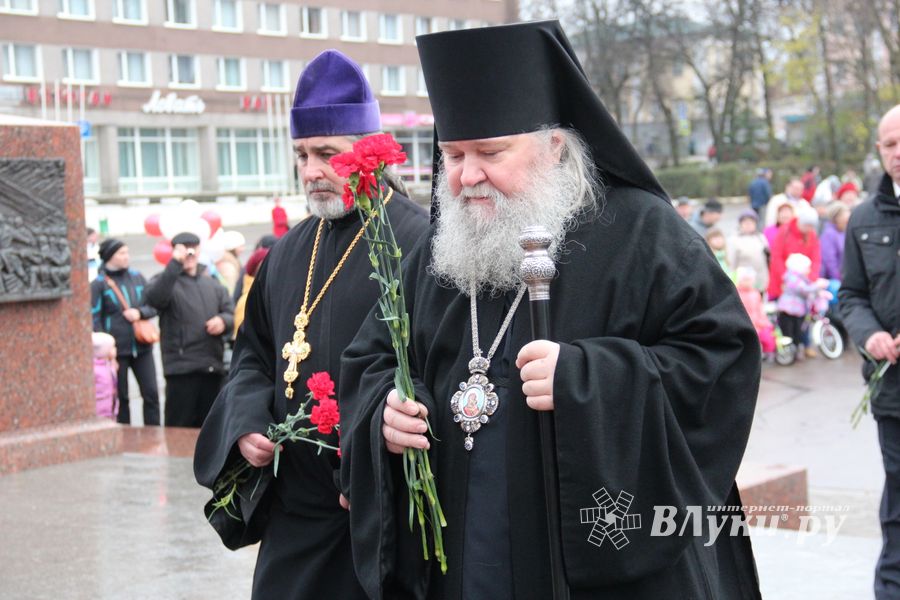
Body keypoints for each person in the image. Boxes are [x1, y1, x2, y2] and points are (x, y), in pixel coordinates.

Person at [340, 20, 761, 600]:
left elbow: (721, 360)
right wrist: (385, 412)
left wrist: (588, 377)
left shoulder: (642, 232)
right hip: (463, 555)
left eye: (490, 152)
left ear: (554, 146)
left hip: (595, 566)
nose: (467, 176)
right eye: (452, 155)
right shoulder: (442, 248)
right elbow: (372, 358)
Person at [193, 49, 428, 599]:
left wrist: (373, 457)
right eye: (301, 154)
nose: (311, 171)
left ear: (369, 154)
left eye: (328, 154)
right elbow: (253, 355)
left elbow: (436, 368)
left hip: (375, 513)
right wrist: (247, 421)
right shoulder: (288, 249)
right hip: (293, 516)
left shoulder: (417, 241)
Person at [840, 103, 900, 600]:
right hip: (893, 391)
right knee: (898, 498)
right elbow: (851, 295)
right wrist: (870, 335)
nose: (898, 152)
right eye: (890, 144)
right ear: (879, 150)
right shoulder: (862, 219)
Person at [145, 231, 234, 428]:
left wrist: (223, 321)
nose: (189, 254)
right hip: (181, 369)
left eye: (193, 249)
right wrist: (175, 263)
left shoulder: (211, 283)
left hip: (212, 365)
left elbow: (230, 311)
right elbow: (155, 299)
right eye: (184, 249)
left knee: (210, 427)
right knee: (180, 428)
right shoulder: (164, 280)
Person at [90, 238, 161, 425]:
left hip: (142, 347)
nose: (126, 257)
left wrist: (140, 313)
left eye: (127, 252)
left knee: (151, 393)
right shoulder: (99, 284)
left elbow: (154, 305)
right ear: (109, 256)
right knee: (121, 397)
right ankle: (124, 435)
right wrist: (106, 346)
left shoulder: (137, 277)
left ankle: (153, 434)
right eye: (121, 253)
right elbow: (94, 318)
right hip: (117, 351)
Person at [776, 253, 829, 359]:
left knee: (798, 332)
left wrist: (819, 292)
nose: (809, 270)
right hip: (788, 311)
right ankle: (789, 353)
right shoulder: (792, 277)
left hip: (798, 311)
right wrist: (817, 286)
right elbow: (803, 289)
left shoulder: (802, 278)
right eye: (807, 268)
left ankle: (795, 352)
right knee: (788, 333)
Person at [767, 202, 821, 300]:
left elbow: (816, 258)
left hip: (803, 283)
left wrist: (812, 277)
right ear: (800, 222)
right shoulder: (785, 231)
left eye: (811, 226)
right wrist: (786, 277)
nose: (808, 229)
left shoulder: (811, 235)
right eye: (806, 225)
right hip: (782, 283)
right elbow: (776, 256)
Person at [735, 267, 775, 356]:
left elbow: (760, 309)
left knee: (764, 339)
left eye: (750, 280)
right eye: (746, 280)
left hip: (757, 323)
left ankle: (765, 354)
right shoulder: (736, 294)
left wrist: (763, 321)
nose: (748, 282)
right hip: (743, 324)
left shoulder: (755, 293)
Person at [728, 209, 769, 293]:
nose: (748, 225)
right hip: (744, 283)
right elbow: (731, 263)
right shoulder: (734, 240)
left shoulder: (761, 237)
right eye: (745, 222)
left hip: (761, 279)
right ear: (740, 224)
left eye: (751, 222)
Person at [820, 203, 850, 281]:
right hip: (833, 279)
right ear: (836, 219)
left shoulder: (844, 232)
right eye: (845, 221)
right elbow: (830, 261)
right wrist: (839, 279)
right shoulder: (829, 234)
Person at [92, 331, 118, 419]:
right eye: (113, 347)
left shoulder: (108, 364)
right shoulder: (95, 369)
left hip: (110, 406)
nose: (115, 349)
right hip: (101, 409)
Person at [216, 230, 246, 296]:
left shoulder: (231, 261)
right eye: (241, 246)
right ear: (232, 247)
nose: (243, 249)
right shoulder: (228, 267)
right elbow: (230, 292)